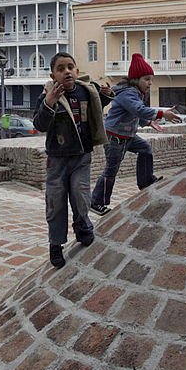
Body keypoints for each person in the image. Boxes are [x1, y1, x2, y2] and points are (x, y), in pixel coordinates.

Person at [32, 52, 113, 268]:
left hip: (81, 156)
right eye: (61, 69)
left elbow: (97, 106)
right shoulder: (48, 96)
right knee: (56, 203)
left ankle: (83, 226)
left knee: (81, 194)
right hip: (57, 160)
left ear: (76, 71)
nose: (66, 71)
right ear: (53, 75)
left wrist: (106, 94)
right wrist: (49, 102)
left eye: (70, 67)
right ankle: (56, 244)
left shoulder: (86, 91)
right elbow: (39, 124)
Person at [90, 53, 181, 215]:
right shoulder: (128, 93)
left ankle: (145, 181)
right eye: (146, 79)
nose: (150, 83)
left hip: (127, 136)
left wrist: (148, 122)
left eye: (151, 79)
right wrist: (161, 114)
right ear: (136, 79)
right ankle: (96, 202)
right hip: (115, 137)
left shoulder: (137, 93)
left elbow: (134, 114)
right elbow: (138, 109)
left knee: (145, 148)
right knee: (111, 170)